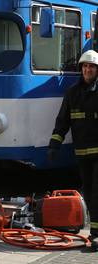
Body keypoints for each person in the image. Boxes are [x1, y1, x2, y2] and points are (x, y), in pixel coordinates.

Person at [48, 50, 98, 251]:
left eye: (92, 67)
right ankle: (95, 232)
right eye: (85, 66)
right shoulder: (72, 93)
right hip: (83, 153)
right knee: (88, 191)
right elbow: (62, 122)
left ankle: (96, 235)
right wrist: (54, 146)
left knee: (96, 193)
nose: (88, 70)